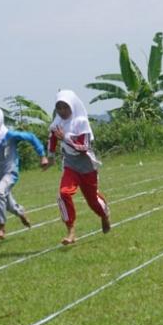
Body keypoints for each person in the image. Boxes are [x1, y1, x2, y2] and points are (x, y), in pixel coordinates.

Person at [0, 106, 49, 240]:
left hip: (10, 173)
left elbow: (31, 137)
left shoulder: (9, 135)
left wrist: (42, 155)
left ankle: (1, 227)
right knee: (9, 205)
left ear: (0, 120)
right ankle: (21, 213)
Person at [48, 90, 110, 245]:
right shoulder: (56, 124)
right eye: (59, 108)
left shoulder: (81, 122)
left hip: (86, 164)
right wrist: (49, 158)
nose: (62, 111)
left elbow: (84, 146)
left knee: (92, 201)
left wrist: (66, 138)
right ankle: (70, 231)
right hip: (70, 164)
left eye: (65, 107)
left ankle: (104, 215)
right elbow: (52, 140)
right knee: (63, 194)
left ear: (72, 106)